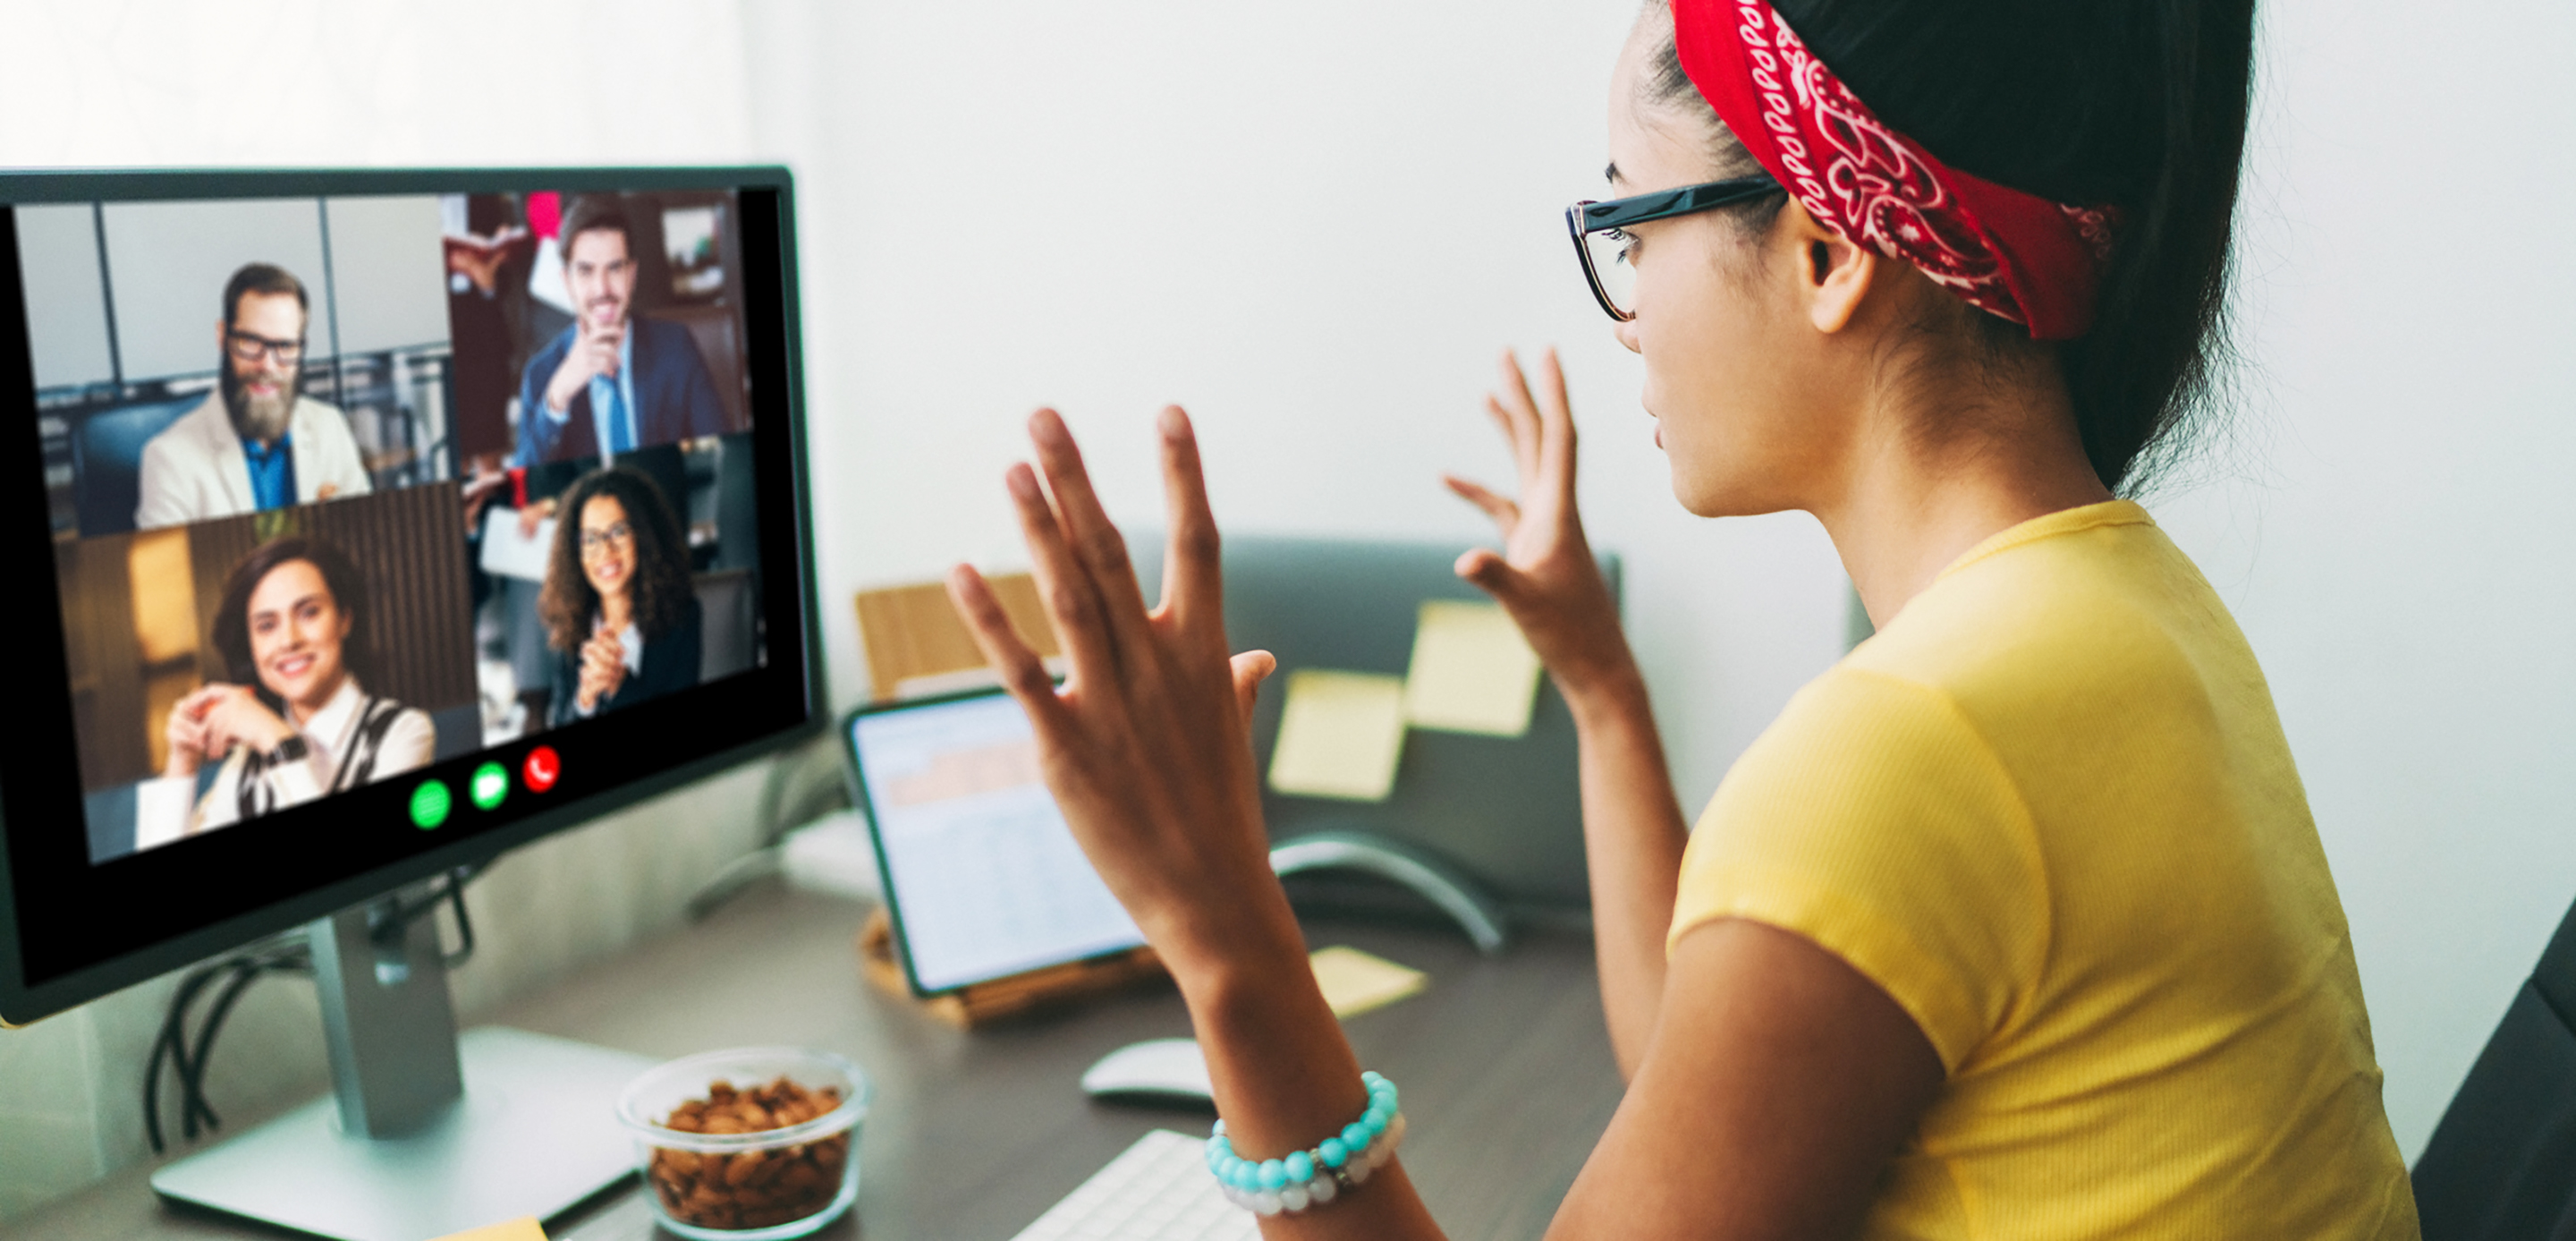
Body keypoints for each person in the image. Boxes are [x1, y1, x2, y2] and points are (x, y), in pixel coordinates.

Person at [942, 0, 2420, 1237]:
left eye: (1631, 218)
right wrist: (1594, 679)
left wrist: (1220, 931)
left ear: (1832, 254)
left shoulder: (1919, 740)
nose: (1624, 305)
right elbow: (1700, 1074)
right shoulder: (2120, 609)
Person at [134, 537, 433, 852]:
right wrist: (182, 762)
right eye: (266, 626)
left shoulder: (402, 732)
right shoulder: (246, 765)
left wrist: (277, 741)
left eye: (309, 612)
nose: (288, 641)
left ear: (345, 618)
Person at [133, 264, 373, 531]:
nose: (267, 365)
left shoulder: (330, 427)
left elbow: (363, 541)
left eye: (285, 346)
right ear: (222, 337)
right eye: (250, 342)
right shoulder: (169, 460)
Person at [512, 197, 727, 468]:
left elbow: (723, 454)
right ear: (567, 282)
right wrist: (558, 398)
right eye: (586, 271)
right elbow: (527, 488)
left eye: (614, 268)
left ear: (632, 274)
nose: (602, 289)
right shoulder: (542, 375)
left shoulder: (675, 346)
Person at [538, 465, 700, 725]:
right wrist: (585, 700)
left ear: (644, 536)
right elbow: (559, 723)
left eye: (619, 532)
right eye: (590, 539)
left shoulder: (682, 616)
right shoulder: (569, 624)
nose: (605, 550)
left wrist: (619, 684)